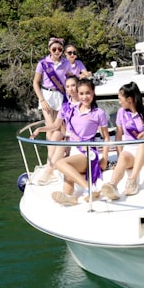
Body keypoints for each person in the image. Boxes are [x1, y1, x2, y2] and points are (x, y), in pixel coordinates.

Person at [48, 78, 110, 206]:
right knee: (68, 175)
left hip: (88, 152)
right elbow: (58, 126)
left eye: (88, 93)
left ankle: (90, 189)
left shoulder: (98, 113)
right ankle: (69, 197)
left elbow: (106, 137)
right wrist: (40, 129)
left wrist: (104, 158)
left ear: (93, 93)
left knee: (59, 163)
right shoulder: (72, 110)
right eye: (81, 94)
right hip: (74, 151)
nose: (85, 97)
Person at [101, 82, 144, 200]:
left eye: (120, 99)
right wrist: (120, 156)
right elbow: (119, 136)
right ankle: (112, 185)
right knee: (124, 156)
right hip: (130, 150)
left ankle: (132, 180)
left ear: (129, 99)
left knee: (143, 141)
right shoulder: (121, 112)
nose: (119, 102)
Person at [31, 75, 80, 185]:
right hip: (69, 138)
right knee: (56, 134)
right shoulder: (65, 106)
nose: (71, 89)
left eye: (73, 85)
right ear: (65, 89)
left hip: (81, 138)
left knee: (61, 141)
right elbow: (55, 125)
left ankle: (48, 172)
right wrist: (39, 129)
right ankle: (49, 169)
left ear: (78, 86)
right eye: (67, 86)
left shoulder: (84, 104)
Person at [33, 37, 70, 126]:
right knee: (50, 125)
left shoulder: (66, 63)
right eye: (54, 49)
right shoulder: (42, 63)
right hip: (47, 95)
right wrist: (42, 100)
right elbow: (35, 82)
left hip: (60, 94)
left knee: (59, 125)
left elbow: (69, 79)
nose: (57, 51)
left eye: (60, 49)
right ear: (49, 49)